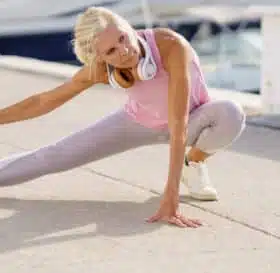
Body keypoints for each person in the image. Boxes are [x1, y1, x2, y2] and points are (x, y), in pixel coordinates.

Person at [0, 7, 245, 228]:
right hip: (136, 122)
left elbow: (178, 123)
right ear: (100, 58)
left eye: (123, 38)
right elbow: (45, 101)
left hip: (189, 121)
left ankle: (193, 163)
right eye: (111, 51)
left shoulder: (171, 46)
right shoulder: (98, 70)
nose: (125, 51)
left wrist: (171, 197)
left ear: (129, 28)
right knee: (54, 156)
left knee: (230, 114)